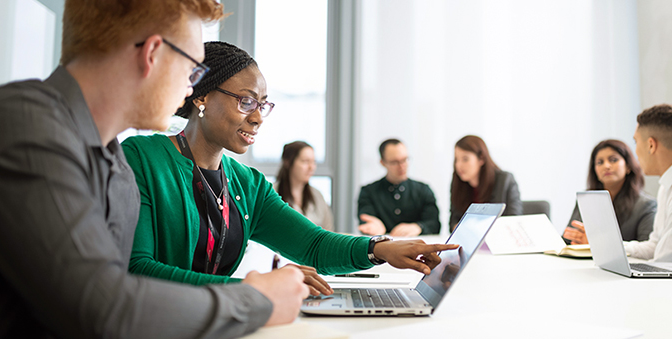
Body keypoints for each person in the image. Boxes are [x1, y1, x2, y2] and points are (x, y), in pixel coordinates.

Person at [0, 0, 312, 338]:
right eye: (192, 68)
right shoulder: (26, 124)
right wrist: (256, 299)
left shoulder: (112, 159)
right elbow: (102, 306)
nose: (190, 85)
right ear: (152, 54)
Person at [123, 42, 457, 296]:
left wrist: (379, 248)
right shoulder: (143, 157)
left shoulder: (247, 183)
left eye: (262, 105)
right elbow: (138, 269)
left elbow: (312, 245)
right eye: (246, 101)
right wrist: (256, 289)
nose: (257, 117)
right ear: (203, 98)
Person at [624, 104, 672, 267]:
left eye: (636, 142)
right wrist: (613, 247)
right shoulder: (669, 184)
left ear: (651, 145)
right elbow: (655, 246)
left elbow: (669, 266)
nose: (635, 151)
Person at [563, 140, 657, 245]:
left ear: (628, 166)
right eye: (600, 162)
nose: (606, 166)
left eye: (613, 160)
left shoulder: (646, 205)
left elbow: (647, 250)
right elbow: (568, 239)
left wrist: (596, 243)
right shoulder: (586, 199)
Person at [357, 139, 441, 237]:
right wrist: (373, 228)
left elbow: (434, 224)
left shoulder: (423, 190)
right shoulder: (368, 192)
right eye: (394, 162)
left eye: (405, 159)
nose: (402, 166)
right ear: (382, 162)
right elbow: (366, 221)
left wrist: (419, 227)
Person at [450, 135, 522, 231]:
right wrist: (457, 227)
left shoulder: (505, 180)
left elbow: (513, 220)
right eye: (456, 160)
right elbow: (453, 221)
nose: (458, 165)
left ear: (481, 159)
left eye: (465, 159)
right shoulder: (458, 183)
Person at [275, 141, 334, 230]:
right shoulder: (272, 193)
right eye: (305, 161)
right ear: (288, 162)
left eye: (313, 162)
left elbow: (329, 230)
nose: (311, 167)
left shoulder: (317, 196)